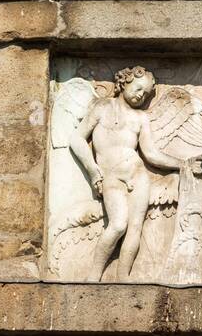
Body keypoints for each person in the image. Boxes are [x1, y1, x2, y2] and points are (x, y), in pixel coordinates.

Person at [69, 66, 181, 281]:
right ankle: (94, 275)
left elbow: (151, 154)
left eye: (146, 93)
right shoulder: (102, 107)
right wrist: (93, 172)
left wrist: (181, 164)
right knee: (119, 224)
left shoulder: (141, 118)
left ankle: (124, 276)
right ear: (124, 82)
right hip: (112, 176)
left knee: (135, 227)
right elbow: (77, 139)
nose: (141, 95)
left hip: (138, 174)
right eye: (139, 88)